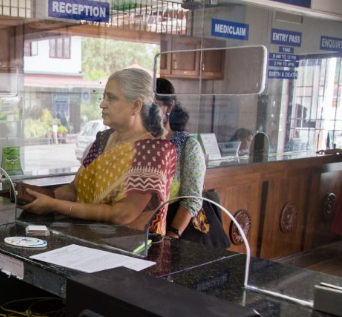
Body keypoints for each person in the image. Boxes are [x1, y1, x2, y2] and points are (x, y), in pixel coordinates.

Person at [20, 69, 177, 234]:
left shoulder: (153, 152)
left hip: (132, 248)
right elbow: (74, 190)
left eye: (111, 98)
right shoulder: (102, 140)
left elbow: (122, 215)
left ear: (135, 105)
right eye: (103, 97)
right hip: (87, 237)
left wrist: (54, 205)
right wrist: (38, 197)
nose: (103, 104)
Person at [155, 78, 206, 239]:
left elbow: (192, 198)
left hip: (175, 229)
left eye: (153, 106)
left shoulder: (187, 146)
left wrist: (172, 235)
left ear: (168, 107)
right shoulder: (138, 143)